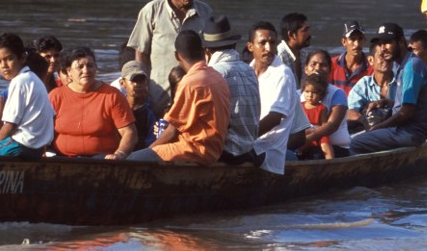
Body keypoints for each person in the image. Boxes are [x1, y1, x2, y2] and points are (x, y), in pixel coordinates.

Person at [127, 30, 231, 166]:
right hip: (214, 150)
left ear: (177, 55)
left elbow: (171, 131)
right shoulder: (218, 77)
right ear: (202, 51)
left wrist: (150, 150)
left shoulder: (190, 82)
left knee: (132, 160)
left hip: (195, 150)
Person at [126, 0, 213, 116]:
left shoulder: (205, 12)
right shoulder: (152, 10)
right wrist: (143, 89)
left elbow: (210, 54)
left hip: (193, 92)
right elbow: (141, 53)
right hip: (158, 93)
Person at [349, 23, 427, 155]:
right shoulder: (405, 65)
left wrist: (377, 128)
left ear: (401, 42)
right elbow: (410, 103)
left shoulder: (411, 66)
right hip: (407, 129)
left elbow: (406, 112)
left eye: (387, 42)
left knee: (356, 143)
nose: (383, 48)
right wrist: (386, 102)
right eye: (381, 44)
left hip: (411, 132)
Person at [246, 21, 310, 174]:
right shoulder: (246, 71)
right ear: (250, 47)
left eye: (272, 43)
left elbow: (275, 118)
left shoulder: (282, 73)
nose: (268, 48)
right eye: (262, 43)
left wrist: (244, 138)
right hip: (252, 142)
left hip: (268, 150)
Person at [49, 47, 137, 159]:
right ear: (68, 72)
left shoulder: (112, 95)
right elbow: (42, 131)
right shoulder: (56, 96)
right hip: (62, 158)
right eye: (80, 67)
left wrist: (120, 154)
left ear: (95, 68)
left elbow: (129, 132)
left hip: (102, 159)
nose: (86, 70)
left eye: (90, 66)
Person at [0, 33, 55, 157]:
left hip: (21, 145)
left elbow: (10, 126)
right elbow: (52, 115)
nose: (4, 66)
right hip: (37, 148)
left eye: (9, 59)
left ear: (22, 58)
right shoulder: (33, 78)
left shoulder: (19, 81)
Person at [202, 15, 261, 165]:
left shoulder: (213, 73)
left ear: (207, 51)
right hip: (248, 149)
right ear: (233, 45)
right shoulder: (249, 70)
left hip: (227, 153)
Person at [300, 49, 352, 158]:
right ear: (306, 69)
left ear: (330, 70)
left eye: (323, 65)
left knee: (316, 156)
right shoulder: (297, 95)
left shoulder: (337, 93)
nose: (318, 68)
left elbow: (332, 125)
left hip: (335, 148)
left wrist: (307, 139)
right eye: (313, 64)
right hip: (303, 144)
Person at [346, 40, 396, 133]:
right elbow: (349, 112)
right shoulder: (364, 84)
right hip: (370, 131)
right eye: (381, 56)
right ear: (371, 60)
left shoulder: (402, 81)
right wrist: (367, 120)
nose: (386, 59)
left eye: (388, 55)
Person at [119, 60, 157, 151]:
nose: (137, 85)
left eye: (141, 80)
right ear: (122, 83)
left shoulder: (151, 111)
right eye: (133, 80)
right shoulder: (118, 107)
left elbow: (152, 141)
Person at [329, 20, 372, 96]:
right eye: (352, 39)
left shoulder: (371, 67)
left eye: (360, 39)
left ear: (364, 40)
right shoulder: (332, 64)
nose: (357, 44)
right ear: (344, 42)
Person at [298, 74, 335, 160]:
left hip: (317, 134)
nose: (310, 95)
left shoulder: (322, 108)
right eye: (307, 91)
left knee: (325, 141)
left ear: (321, 94)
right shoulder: (300, 106)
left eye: (313, 92)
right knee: (299, 141)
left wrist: (315, 131)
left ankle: (330, 161)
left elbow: (324, 126)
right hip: (303, 133)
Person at [277, 12, 311, 85]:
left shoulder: (303, 54)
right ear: (292, 35)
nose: (309, 34)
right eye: (305, 30)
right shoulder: (279, 56)